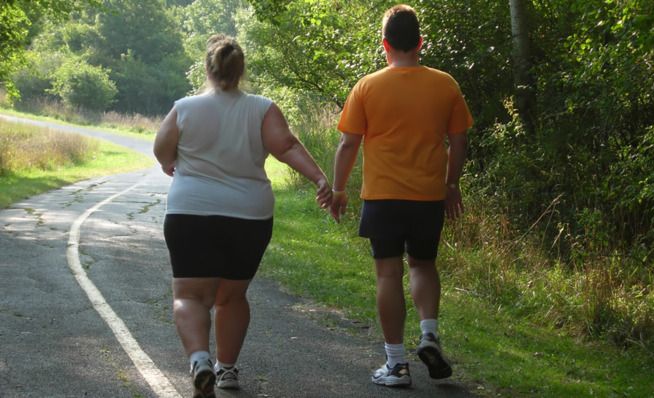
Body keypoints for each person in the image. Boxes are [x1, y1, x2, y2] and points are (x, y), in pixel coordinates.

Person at [154, 34, 332, 398]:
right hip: (248, 216)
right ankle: (227, 370)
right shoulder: (262, 108)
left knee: (190, 295)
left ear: (208, 67)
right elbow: (286, 146)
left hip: (191, 212)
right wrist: (319, 178)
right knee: (231, 297)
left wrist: (170, 161)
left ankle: (200, 360)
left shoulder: (185, 107)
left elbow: (161, 149)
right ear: (241, 70)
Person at [330, 4, 473, 388]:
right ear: (420, 42)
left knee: (388, 273)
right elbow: (458, 141)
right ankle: (429, 333)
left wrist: (339, 189)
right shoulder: (445, 84)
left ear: (385, 45)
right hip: (428, 196)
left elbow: (348, 144)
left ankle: (396, 365)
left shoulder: (367, 86)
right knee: (423, 265)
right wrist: (452, 184)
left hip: (383, 197)